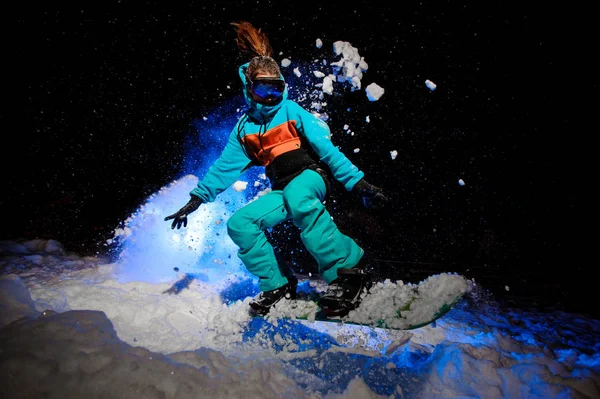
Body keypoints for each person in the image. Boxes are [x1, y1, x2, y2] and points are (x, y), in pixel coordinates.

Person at [165, 21, 388, 317]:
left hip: (311, 176)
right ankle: (278, 284)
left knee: (299, 196)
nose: (271, 98)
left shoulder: (290, 110)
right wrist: (196, 200)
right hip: (283, 188)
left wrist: (357, 183)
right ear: (249, 90)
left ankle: (349, 271)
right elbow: (223, 168)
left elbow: (327, 149)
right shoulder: (244, 129)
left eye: (276, 89)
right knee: (241, 224)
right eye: (263, 90)